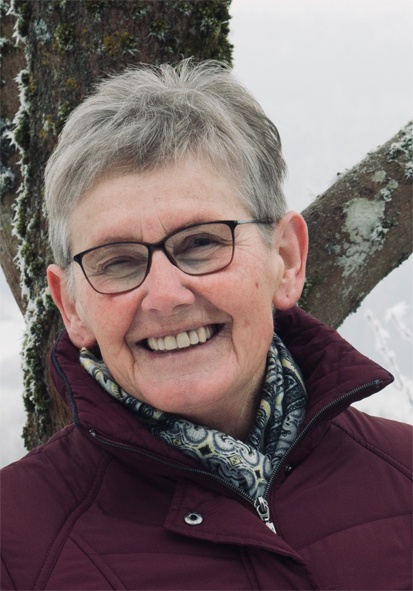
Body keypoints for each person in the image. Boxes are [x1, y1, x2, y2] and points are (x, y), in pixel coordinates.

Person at [1, 60, 411, 591]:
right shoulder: (15, 546)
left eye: (201, 243)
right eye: (118, 261)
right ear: (72, 307)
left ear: (286, 259)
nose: (165, 296)